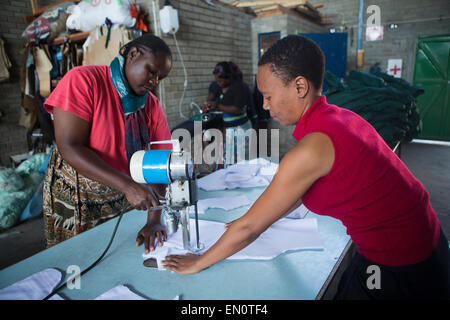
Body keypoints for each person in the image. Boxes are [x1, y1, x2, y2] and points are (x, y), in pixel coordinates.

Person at [162, 35, 450, 300]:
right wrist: (262, 215)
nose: (264, 105)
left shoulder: (311, 148)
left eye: (269, 95)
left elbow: (249, 229)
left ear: (300, 86)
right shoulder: (339, 117)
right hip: (427, 241)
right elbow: (295, 193)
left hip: (403, 264)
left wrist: (197, 262)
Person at [43, 34, 173, 254]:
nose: (154, 82)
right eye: (151, 71)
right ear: (132, 55)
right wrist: (129, 186)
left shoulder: (150, 105)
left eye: (160, 77)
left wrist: (154, 219)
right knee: (74, 258)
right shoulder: (85, 80)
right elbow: (70, 146)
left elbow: (160, 164)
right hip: (76, 192)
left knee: (112, 253)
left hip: (118, 193)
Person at [204, 61, 254, 166]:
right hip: (229, 128)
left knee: (241, 161)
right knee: (229, 159)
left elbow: (237, 109)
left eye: (220, 81)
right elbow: (212, 95)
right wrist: (209, 102)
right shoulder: (218, 86)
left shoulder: (240, 87)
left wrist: (217, 106)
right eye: (217, 81)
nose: (218, 83)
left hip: (241, 128)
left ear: (229, 78)